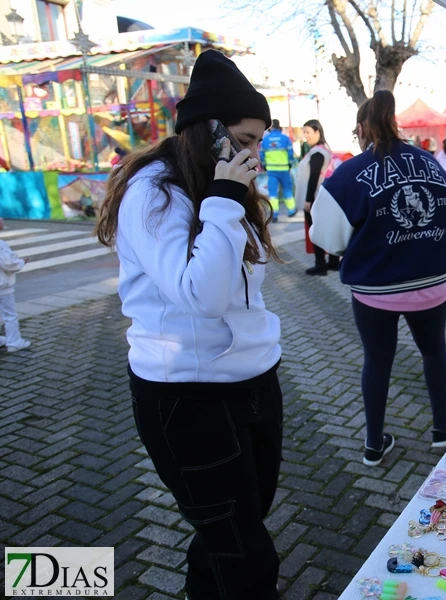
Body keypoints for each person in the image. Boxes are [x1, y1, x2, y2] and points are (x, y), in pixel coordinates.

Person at [93, 50, 283, 600]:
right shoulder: (154, 192)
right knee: (245, 553)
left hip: (254, 382)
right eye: (246, 139)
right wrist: (225, 200)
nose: (256, 153)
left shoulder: (218, 184)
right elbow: (199, 295)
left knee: (230, 534)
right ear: (210, 132)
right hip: (186, 394)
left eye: (261, 140)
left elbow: (241, 288)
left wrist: (228, 197)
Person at [310, 90, 446, 466]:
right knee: (434, 351)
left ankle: (374, 445)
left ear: (362, 128)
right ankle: (442, 428)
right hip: (431, 284)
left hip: (376, 290)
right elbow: (444, 213)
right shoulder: (430, 162)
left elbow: (323, 236)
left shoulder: (350, 173)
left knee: (377, 363)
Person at [295, 119, 337, 275]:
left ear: (317, 132)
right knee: (327, 229)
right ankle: (333, 262)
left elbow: (313, 177)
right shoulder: (323, 150)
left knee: (317, 230)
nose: (306, 136)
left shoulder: (317, 152)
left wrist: (308, 200)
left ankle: (320, 264)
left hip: (314, 199)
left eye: (308, 132)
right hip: (322, 197)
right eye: (304, 132)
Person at [0, 217, 31, 352]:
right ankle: (14, 342)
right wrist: (22, 262)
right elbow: (9, 264)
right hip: (2, 286)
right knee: (10, 314)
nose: (2, 220)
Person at [261, 118, 295, 221]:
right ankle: (291, 211)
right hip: (284, 169)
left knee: (272, 192)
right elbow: (290, 153)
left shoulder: (265, 140)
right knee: (287, 189)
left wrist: (264, 165)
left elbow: (261, 154)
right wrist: (290, 164)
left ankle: (274, 214)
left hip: (271, 170)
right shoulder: (285, 138)